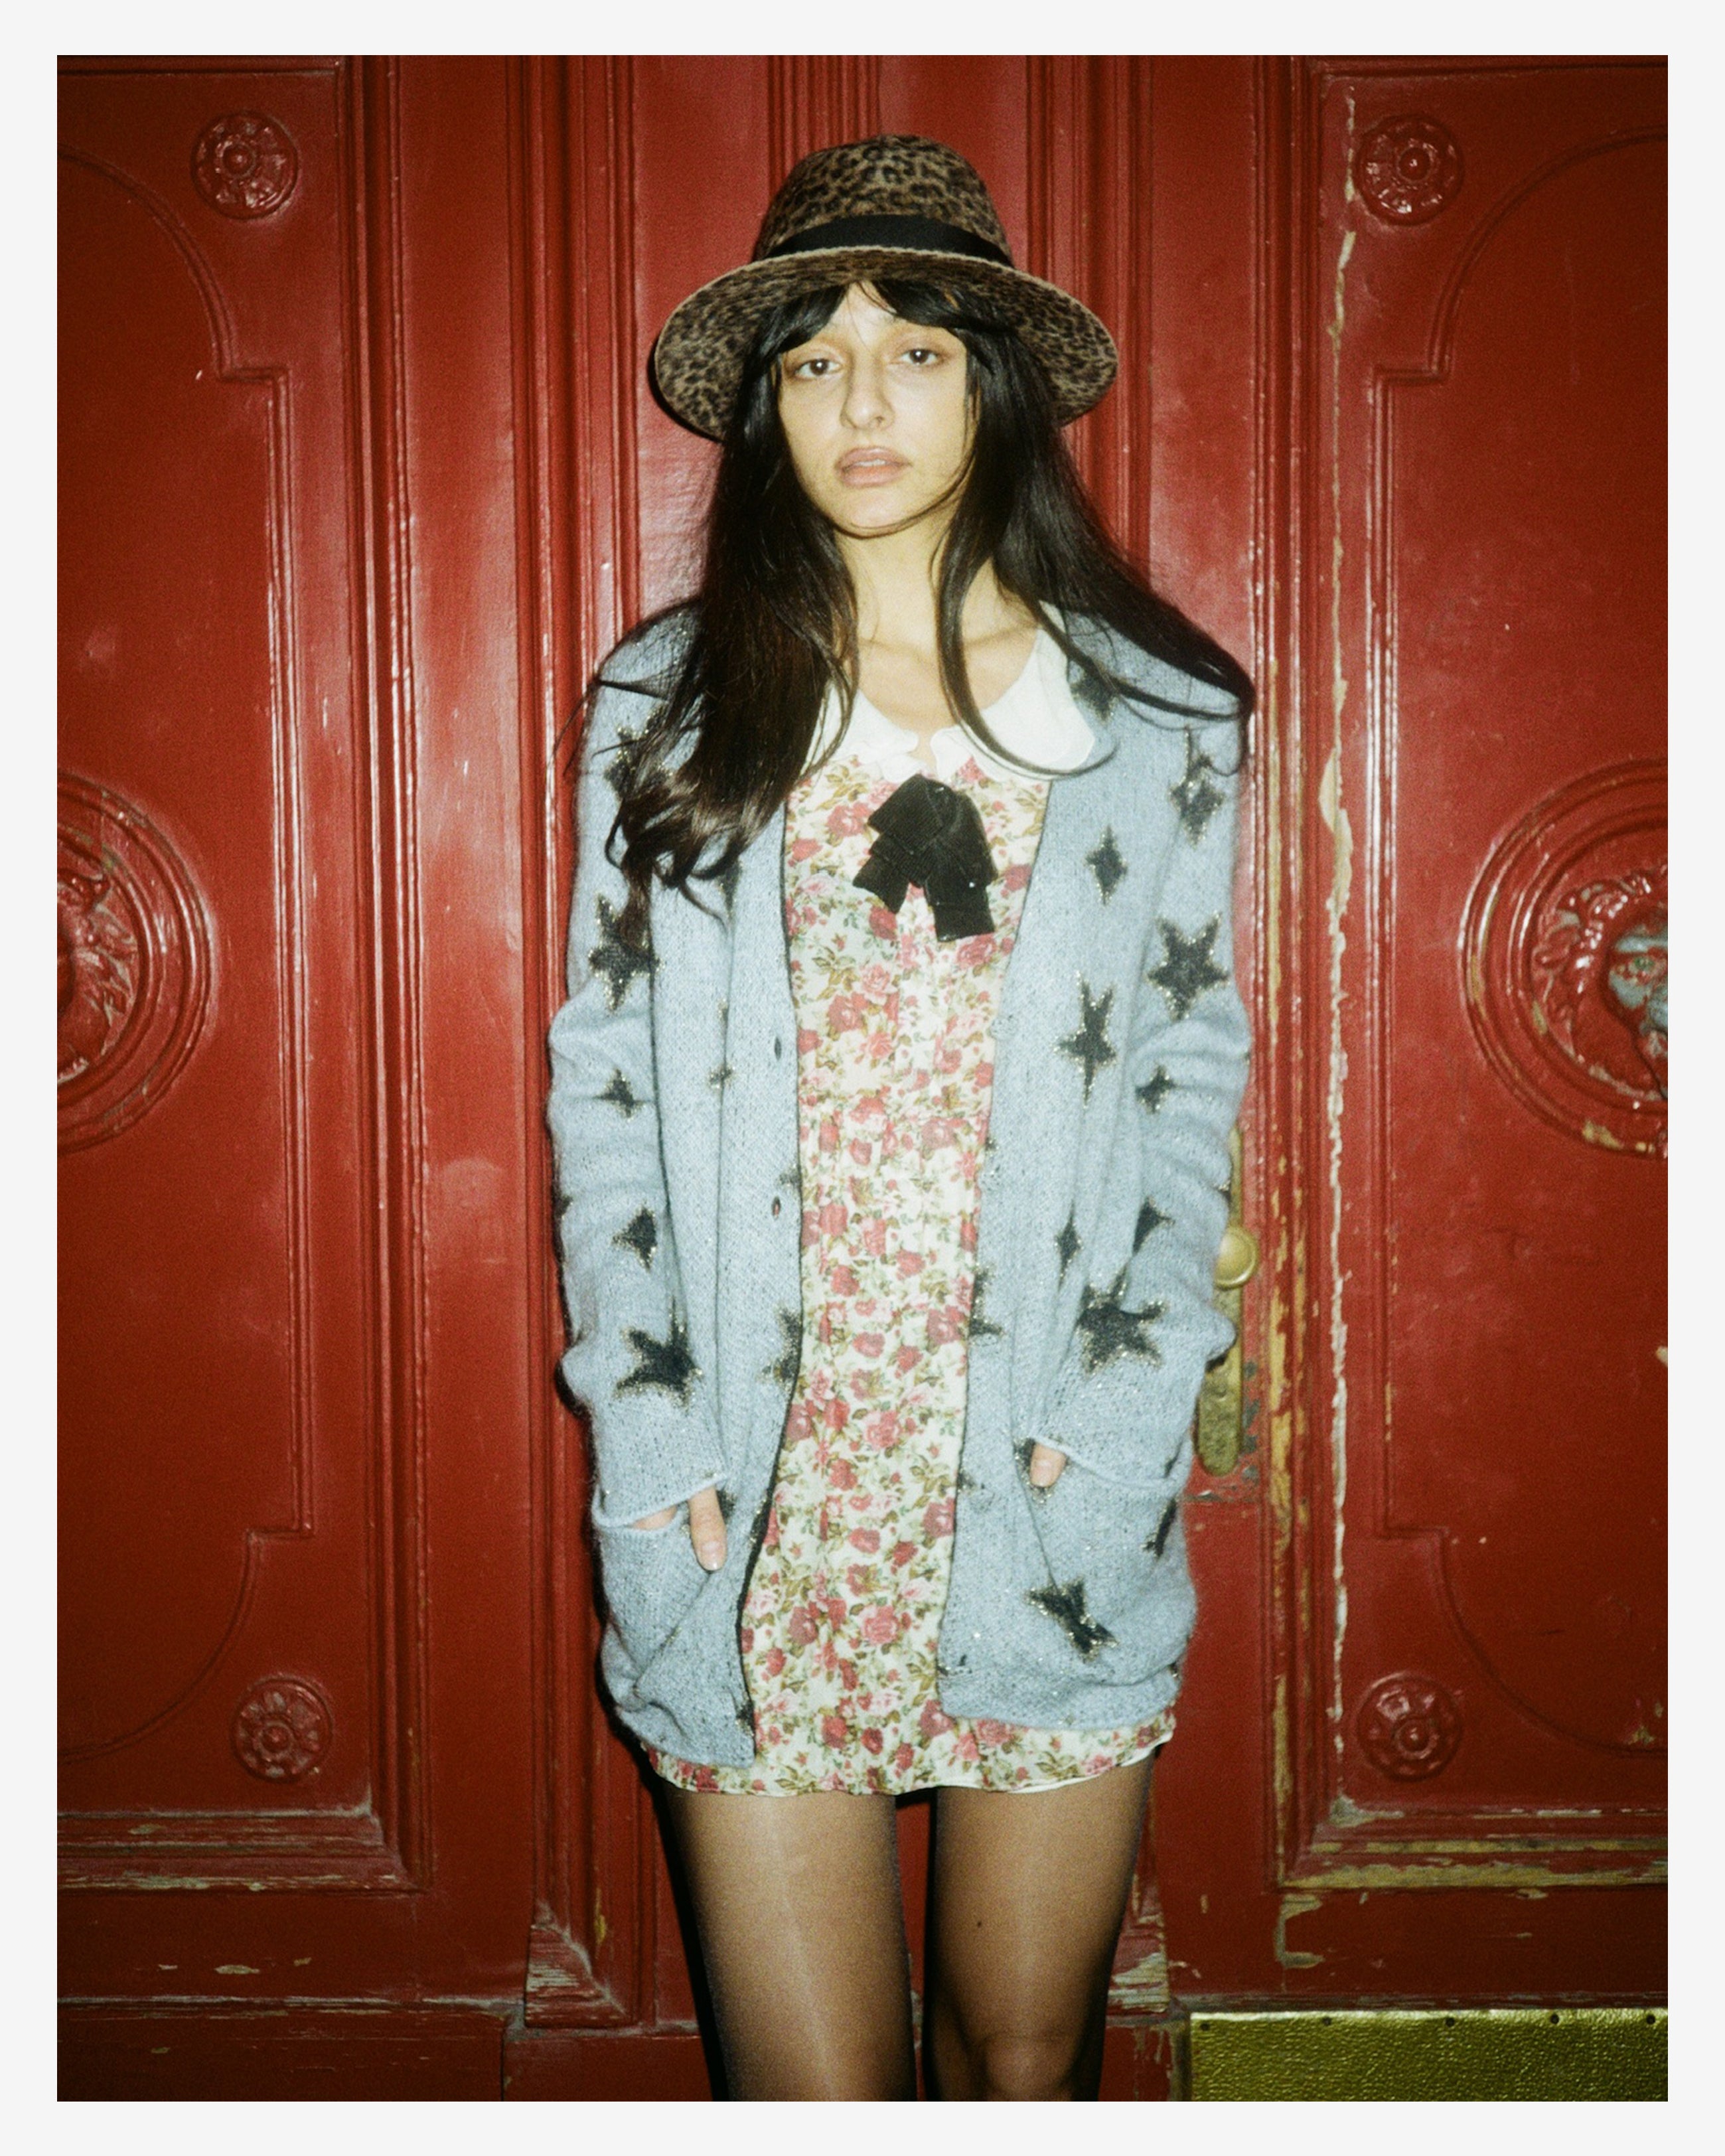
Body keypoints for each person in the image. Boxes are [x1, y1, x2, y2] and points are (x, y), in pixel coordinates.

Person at [547, 135, 1252, 2101]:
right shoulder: (667, 706)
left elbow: (1187, 1072)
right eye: (815, 361)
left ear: (991, 385)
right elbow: (606, 1090)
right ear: (766, 411)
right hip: (757, 1496)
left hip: (1043, 1478)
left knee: (1024, 2067)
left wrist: (1125, 1411)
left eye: (917, 351)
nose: (863, 402)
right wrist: (649, 1435)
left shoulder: (1159, 719)